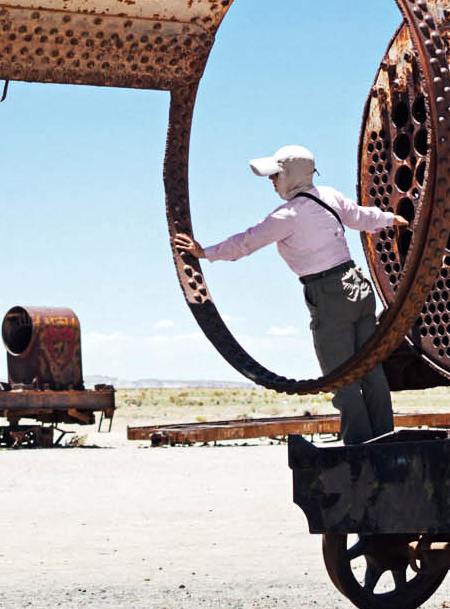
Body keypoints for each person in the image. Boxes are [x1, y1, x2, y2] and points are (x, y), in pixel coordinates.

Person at [173, 144, 408, 444]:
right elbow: (362, 218)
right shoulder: (330, 197)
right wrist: (391, 218)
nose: (272, 182)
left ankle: (360, 450)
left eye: (275, 176)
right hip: (359, 287)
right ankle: (386, 442)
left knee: (341, 378)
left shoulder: (288, 215)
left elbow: (246, 242)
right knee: (370, 369)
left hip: (329, 294)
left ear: (291, 176)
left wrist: (205, 253)